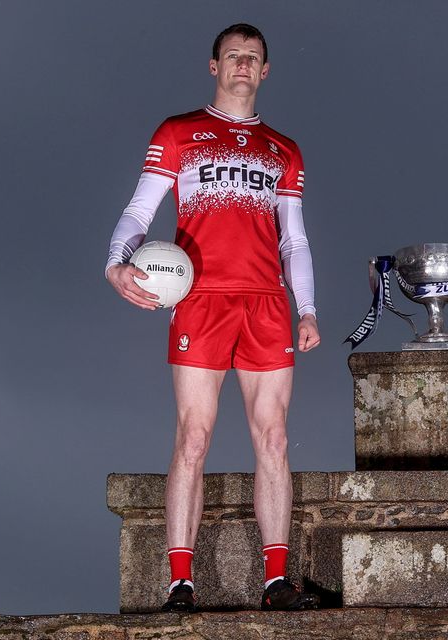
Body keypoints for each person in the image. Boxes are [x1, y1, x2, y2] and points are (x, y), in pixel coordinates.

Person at [105, 23, 321, 612]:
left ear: (266, 70)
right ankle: (180, 583)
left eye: (253, 58)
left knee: (273, 437)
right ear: (214, 66)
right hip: (200, 301)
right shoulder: (178, 133)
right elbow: (138, 211)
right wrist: (115, 265)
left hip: (267, 304)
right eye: (233, 56)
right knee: (194, 437)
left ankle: (276, 580)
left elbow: (294, 242)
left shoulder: (284, 149)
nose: (243, 65)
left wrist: (307, 309)